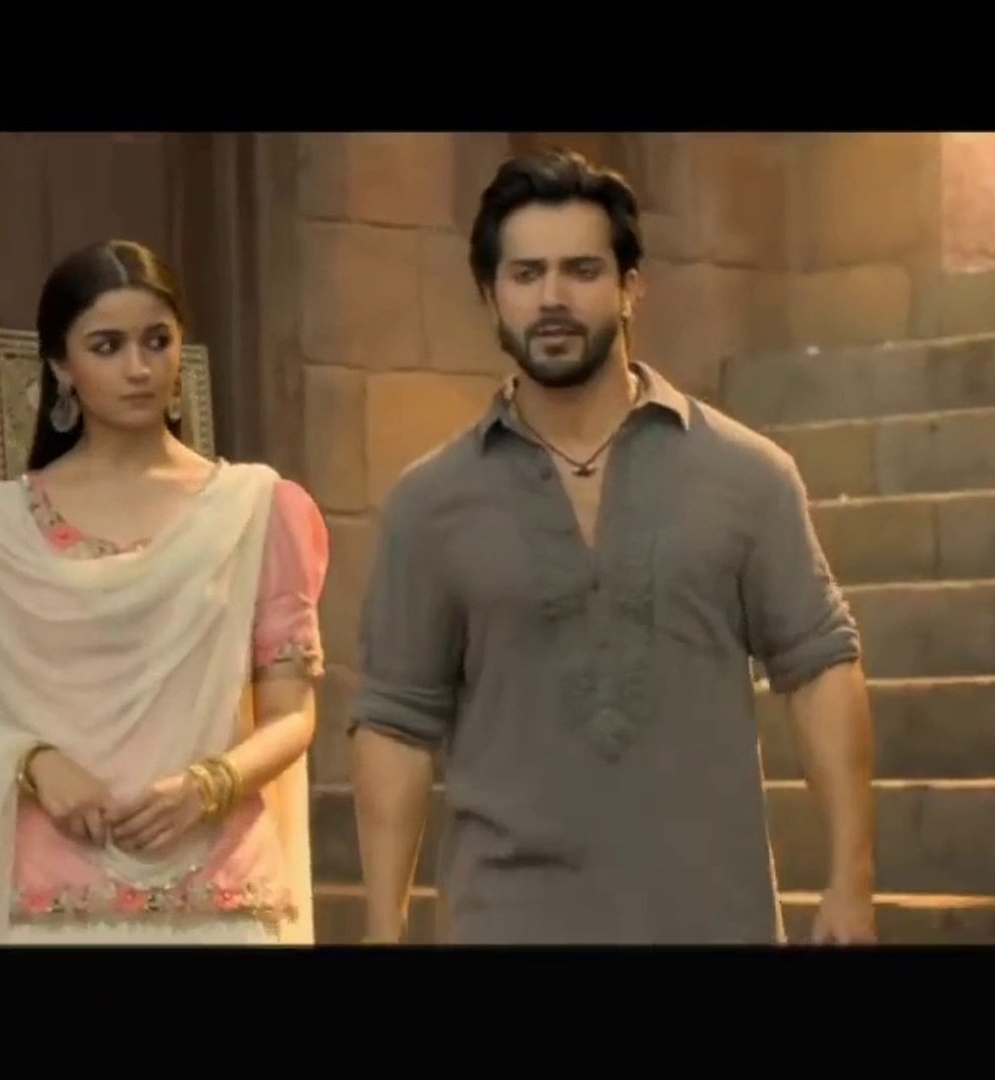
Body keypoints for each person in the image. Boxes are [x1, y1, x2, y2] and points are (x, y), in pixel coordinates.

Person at [348, 149, 878, 946]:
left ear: (632, 285)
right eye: (526, 274)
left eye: (582, 270)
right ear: (490, 296)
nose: (552, 298)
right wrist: (381, 931)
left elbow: (820, 669)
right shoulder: (430, 504)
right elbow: (395, 723)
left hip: (713, 918)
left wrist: (852, 884)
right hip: (506, 923)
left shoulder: (749, 476)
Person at [0, 239, 328, 945]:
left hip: (219, 897)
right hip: (49, 899)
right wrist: (35, 761)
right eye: (107, 346)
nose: (139, 368)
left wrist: (209, 785)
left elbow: (291, 715)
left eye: (156, 341)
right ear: (61, 367)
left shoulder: (256, 509)